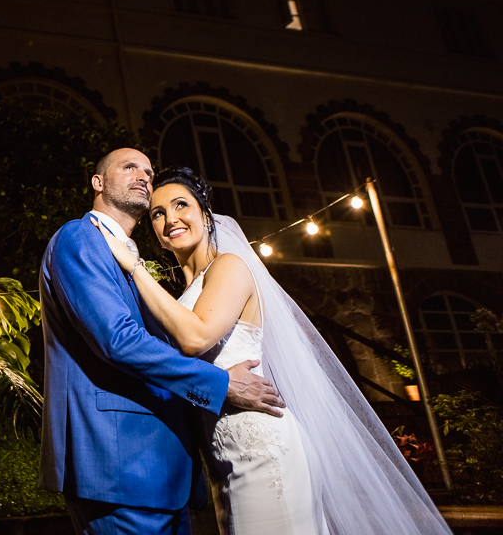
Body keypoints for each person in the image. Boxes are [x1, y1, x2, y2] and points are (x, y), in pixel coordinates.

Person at [93, 165, 452, 535]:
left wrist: (134, 267)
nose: (171, 219)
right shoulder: (181, 295)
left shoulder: (229, 267)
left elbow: (195, 338)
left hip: (261, 449)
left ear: (205, 212)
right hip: (220, 454)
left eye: (181, 205)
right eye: (158, 212)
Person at [39, 148, 285, 535]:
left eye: (149, 171)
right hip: (119, 466)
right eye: (129, 167)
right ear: (98, 183)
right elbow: (118, 340)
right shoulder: (80, 237)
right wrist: (220, 383)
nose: (143, 175)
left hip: (163, 471)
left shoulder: (130, 260)